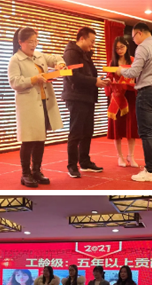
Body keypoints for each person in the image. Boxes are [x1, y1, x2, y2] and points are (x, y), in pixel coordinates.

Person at [8, 28, 65, 188]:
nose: (34, 44)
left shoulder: (39, 55)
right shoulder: (15, 60)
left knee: (40, 138)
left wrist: (60, 64)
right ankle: (25, 174)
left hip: (44, 102)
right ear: (21, 42)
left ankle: (36, 171)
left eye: (36, 41)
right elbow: (14, 82)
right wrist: (33, 79)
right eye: (30, 42)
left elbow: (56, 58)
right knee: (28, 140)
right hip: (28, 105)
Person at [117, 23, 152, 183]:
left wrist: (120, 70)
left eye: (133, 37)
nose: (134, 41)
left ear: (139, 33)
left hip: (147, 93)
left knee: (146, 132)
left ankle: (150, 170)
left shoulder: (143, 47)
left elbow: (134, 72)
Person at [63, 27, 109, 178]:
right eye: (92, 41)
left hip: (87, 97)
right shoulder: (71, 53)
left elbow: (89, 75)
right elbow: (73, 76)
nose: (93, 45)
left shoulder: (85, 54)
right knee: (76, 132)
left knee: (87, 131)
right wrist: (94, 81)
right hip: (76, 97)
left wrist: (100, 80)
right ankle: (72, 165)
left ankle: (84, 161)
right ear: (82, 38)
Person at [106, 37, 139, 168]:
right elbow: (109, 78)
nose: (119, 50)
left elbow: (138, 77)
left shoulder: (133, 60)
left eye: (122, 47)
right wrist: (109, 82)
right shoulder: (112, 63)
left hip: (130, 97)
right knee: (117, 128)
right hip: (117, 98)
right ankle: (119, 156)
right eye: (117, 48)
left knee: (131, 127)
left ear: (127, 47)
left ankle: (131, 156)